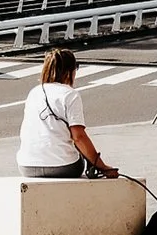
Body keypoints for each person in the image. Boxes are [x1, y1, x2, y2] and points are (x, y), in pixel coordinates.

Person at [17, 48, 118, 179]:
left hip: (26, 166)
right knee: (78, 153)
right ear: (69, 71)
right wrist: (102, 166)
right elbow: (79, 137)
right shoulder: (70, 94)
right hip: (63, 167)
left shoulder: (34, 92)